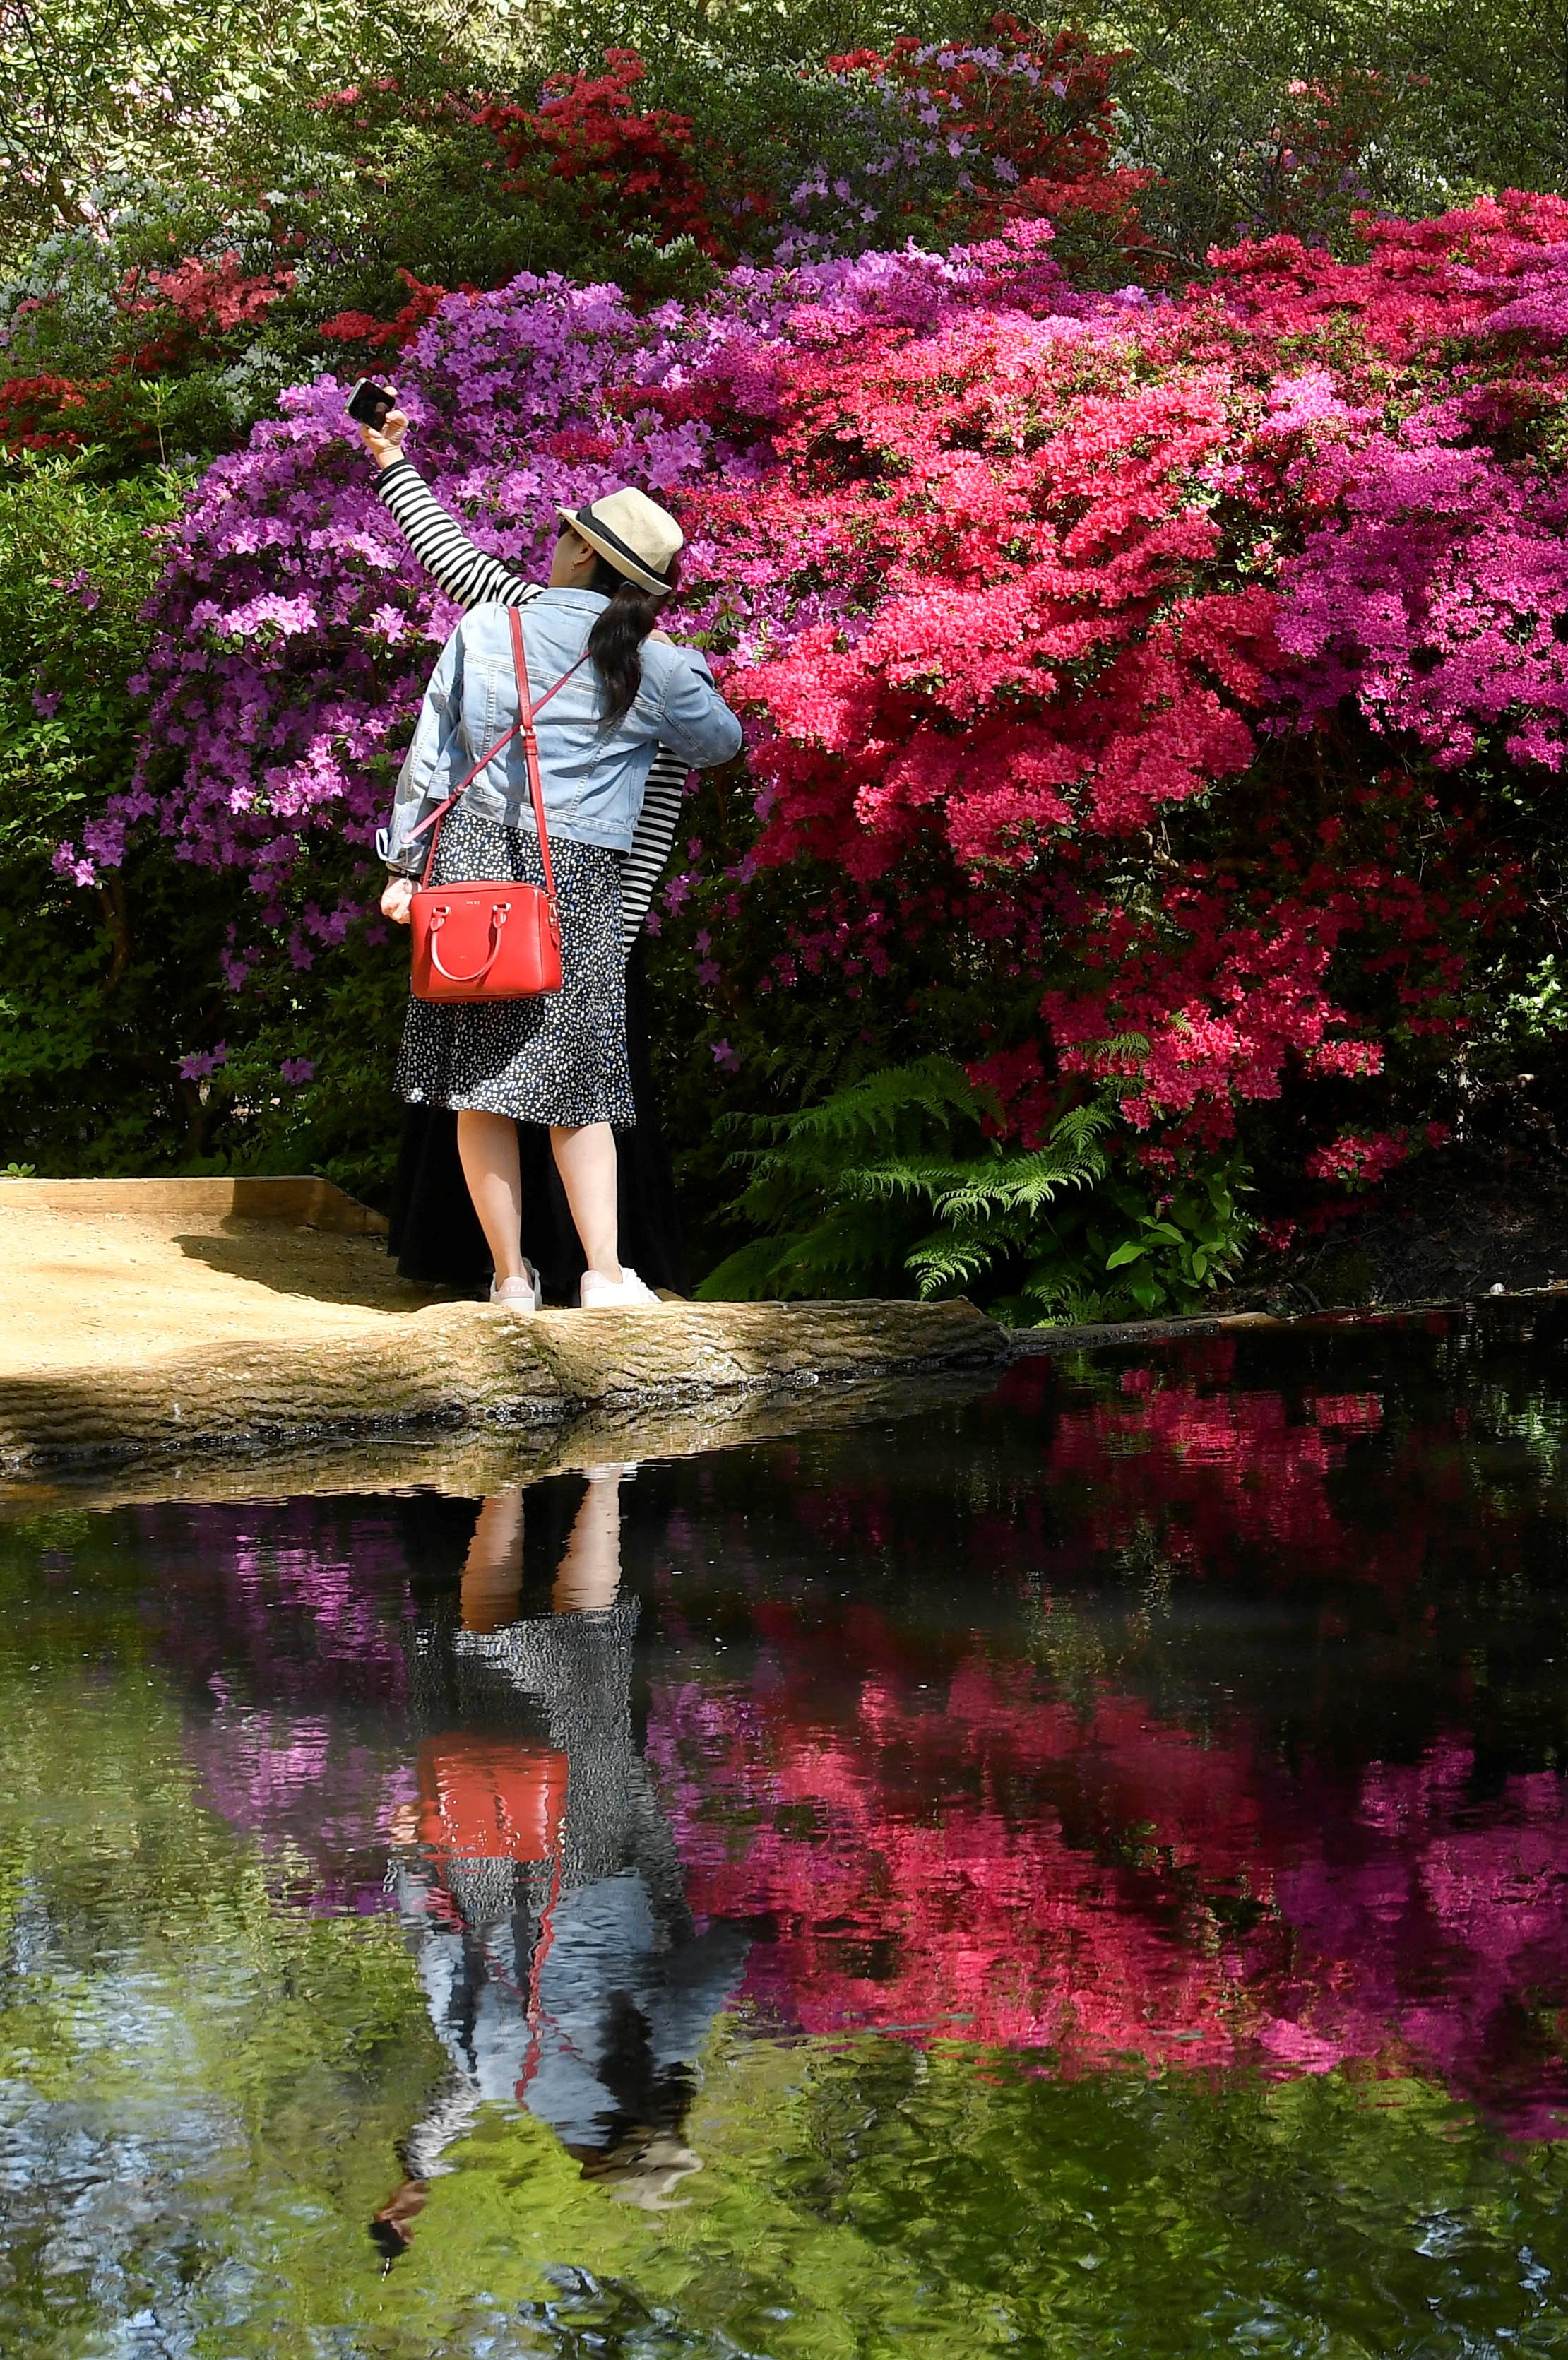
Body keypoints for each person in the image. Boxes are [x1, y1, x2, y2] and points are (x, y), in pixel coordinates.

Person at [372, 437, 744, 1312]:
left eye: (568, 532)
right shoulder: (655, 661)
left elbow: (431, 760)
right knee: (582, 1081)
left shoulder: (486, 625)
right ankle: (606, 1275)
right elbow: (721, 744)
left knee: (477, 1085)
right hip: (576, 879)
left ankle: (510, 1279)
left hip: (467, 864)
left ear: (581, 550)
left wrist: (401, 868)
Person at [370, 1469, 752, 2260]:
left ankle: (606, 1475)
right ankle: (503, 1484)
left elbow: (725, 1954)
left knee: (589, 1650)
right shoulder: (509, 2079)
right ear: (587, 2157)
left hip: (597, 1862)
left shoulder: (658, 2054)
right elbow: (441, 1964)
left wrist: (766, 1935)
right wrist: (410, 1862)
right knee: (485, 1655)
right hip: (487, 1863)